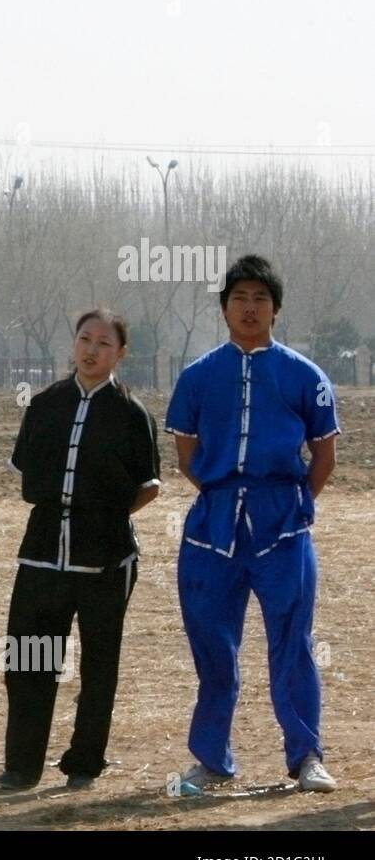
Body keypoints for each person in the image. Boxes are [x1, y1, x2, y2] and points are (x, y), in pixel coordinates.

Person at [166, 255, 338, 792]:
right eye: (239, 298)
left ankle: (306, 755)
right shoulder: (197, 377)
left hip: (283, 526)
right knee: (213, 644)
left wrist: (290, 504)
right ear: (223, 308)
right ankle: (212, 760)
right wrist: (223, 496)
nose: (249, 308)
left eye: (260, 299)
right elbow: (186, 455)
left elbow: (324, 457)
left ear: (276, 310)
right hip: (212, 527)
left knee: (292, 640)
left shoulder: (305, 376)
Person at [0, 309, 161, 790]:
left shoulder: (132, 414)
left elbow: (148, 487)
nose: (91, 350)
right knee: (29, 659)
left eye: (104, 344)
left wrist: (104, 516)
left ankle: (84, 763)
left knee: (98, 664)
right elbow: (25, 472)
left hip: (106, 559)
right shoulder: (45, 404)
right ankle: (21, 766)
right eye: (84, 339)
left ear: (121, 354)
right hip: (43, 552)